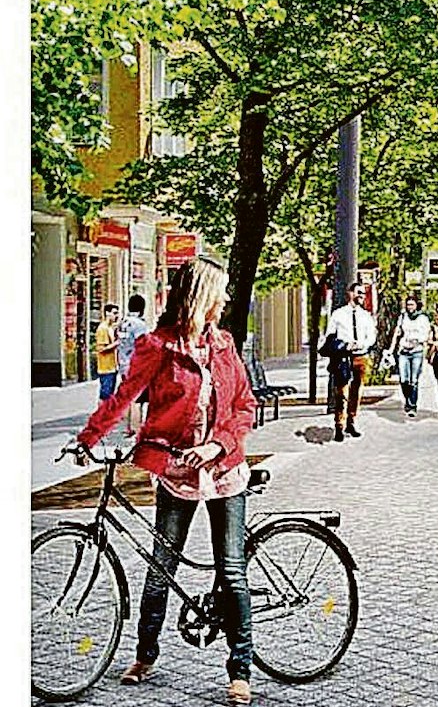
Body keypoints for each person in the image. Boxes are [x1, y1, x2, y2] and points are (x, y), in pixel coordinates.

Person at [74, 258, 258, 704]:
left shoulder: (225, 344)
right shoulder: (158, 345)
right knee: (161, 568)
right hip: (176, 472)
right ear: (201, 296)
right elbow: (123, 395)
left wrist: (216, 445)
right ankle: (145, 653)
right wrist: (88, 437)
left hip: (224, 470)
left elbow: (244, 406)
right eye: (222, 291)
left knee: (231, 571)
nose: (227, 299)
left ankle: (240, 668)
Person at [324, 282, 377, 441]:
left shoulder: (365, 315)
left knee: (357, 391)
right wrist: (345, 344)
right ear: (350, 293)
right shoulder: (338, 314)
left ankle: (351, 421)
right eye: (358, 293)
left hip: (361, 356)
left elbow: (372, 336)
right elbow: (330, 335)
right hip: (343, 357)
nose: (361, 296)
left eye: (363, 293)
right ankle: (339, 424)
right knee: (341, 393)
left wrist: (363, 344)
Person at [388, 297, 432, 417]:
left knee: (413, 380)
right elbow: (397, 333)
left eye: (412, 305)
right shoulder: (403, 317)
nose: (410, 307)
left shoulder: (423, 318)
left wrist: (418, 339)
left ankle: (412, 405)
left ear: (417, 305)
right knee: (403, 379)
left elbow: (427, 334)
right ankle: (407, 399)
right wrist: (391, 350)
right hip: (404, 351)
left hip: (417, 351)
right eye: (408, 305)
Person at [118, 294, 152, 430]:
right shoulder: (139, 324)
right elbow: (143, 345)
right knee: (137, 399)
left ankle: (128, 427)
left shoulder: (123, 322)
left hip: (123, 363)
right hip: (135, 365)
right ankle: (136, 428)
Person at [94, 304, 122, 401]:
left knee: (109, 394)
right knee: (105, 395)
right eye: (114, 313)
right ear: (107, 313)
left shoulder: (110, 328)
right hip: (105, 367)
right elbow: (101, 348)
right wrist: (117, 343)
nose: (116, 316)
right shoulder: (103, 329)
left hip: (112, 366)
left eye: (117, 313)